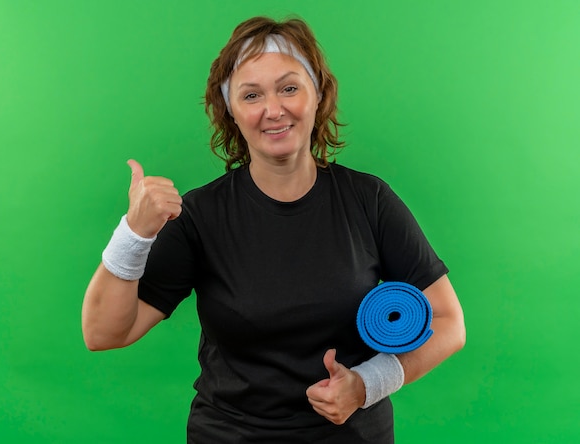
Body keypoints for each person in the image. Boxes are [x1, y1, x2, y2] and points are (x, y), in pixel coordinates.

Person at [82, 16, 466, 443]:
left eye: (289, 88)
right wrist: (134, 235)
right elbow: (104, 332)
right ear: (232, 110)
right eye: (251, 95)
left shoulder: (368, 199)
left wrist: (365, 385)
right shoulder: (201, 215)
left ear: (317, 94)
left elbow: (448, 322)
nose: (273, 110)